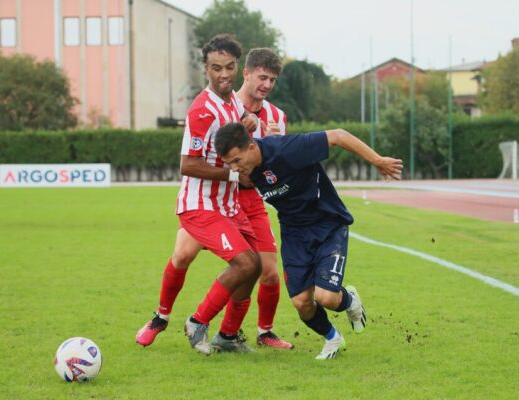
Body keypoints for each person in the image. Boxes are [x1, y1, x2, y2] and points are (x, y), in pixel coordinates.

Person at [215, 122, 403, 359]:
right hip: (294, 234)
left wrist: (378, 161)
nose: (234, 169)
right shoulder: (246, 172)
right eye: (229, 164)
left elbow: (338, 136)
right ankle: (333, 339)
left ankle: (350, 301)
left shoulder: (288, 149)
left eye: (237, 161)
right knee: (302, 303)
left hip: (327, 223)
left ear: (252, 147)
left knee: (325, 297)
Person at [135, 34, 261, 354]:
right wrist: (235, 174)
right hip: (201, 205)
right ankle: (188, 320)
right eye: (216, 68)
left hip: (226, 204)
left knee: (247, 265)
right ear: (205, 68)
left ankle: (227, 336)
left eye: (230, 67)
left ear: (237, 67)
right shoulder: (202, 110)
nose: (223, 74)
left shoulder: (234, 103)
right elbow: (187, 165)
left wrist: (250, 124)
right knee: (244, 264)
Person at [235, 48, 292, 349]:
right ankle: (165, 318)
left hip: (253, 202)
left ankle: (264, 332)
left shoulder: (277, 117)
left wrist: (273, 146)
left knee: (268, 271)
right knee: (184, 256)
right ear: (246, 73)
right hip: (219, 200)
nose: (267, 85)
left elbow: (279, 169)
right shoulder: (224, 107)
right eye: (262, 77)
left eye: (272, 80)